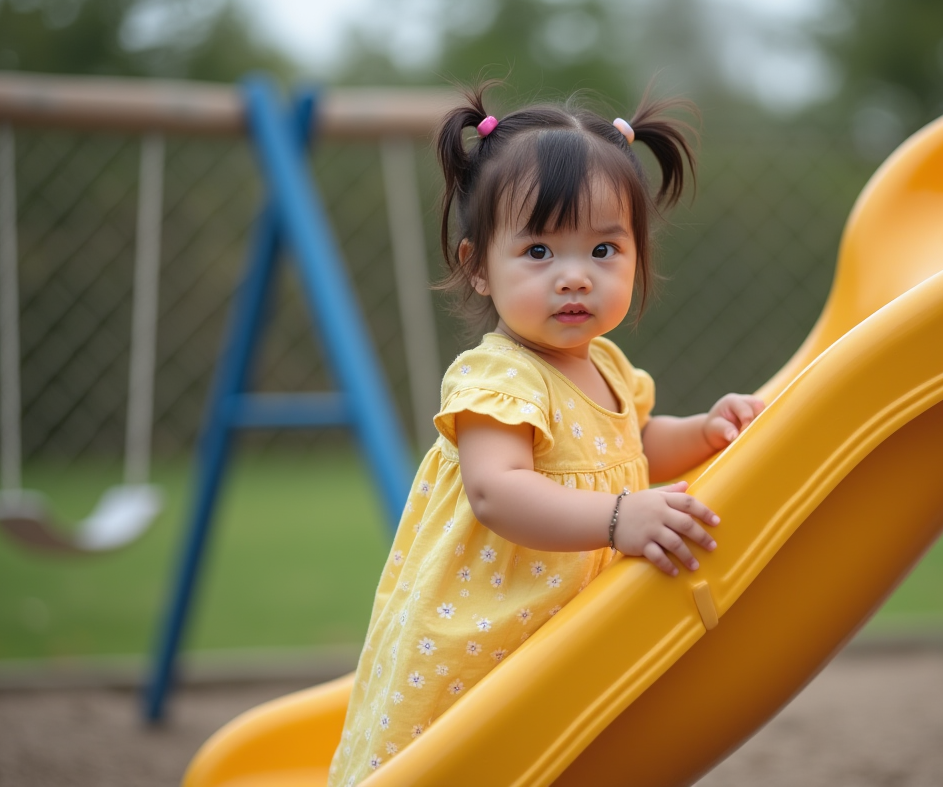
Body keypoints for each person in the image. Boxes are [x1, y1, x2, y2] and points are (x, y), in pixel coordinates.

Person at [327, 83, 764, 785]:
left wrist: (706, 431)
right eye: (537, 251)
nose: (573, 278)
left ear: (637, 256)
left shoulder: (610, 368)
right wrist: (619, 518)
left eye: (601, 249)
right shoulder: (498, 379)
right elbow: (498, 492)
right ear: (477, 265)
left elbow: (636, 446)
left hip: (560, 636)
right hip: (485, 640)